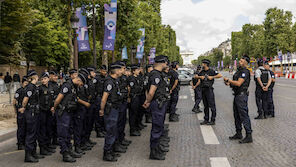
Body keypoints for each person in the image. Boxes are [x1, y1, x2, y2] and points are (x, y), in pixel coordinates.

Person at [52, 72, 89, 163]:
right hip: (63, 112)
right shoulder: (67, 86)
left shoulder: (74, 87)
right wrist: (54, 108)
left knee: (68, 133)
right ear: (79, 80)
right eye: (81, 84)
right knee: (63, 133)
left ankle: (69, 150)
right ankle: (65, 153)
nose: (81, 86)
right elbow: (58, 99)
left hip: (69, 112)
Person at [143, 55, 169, 160]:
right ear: (162, 63)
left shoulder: (156, 74)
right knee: (157, 128)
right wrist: (148, 101)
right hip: (157, 104)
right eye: (166, 63)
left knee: (159, 126)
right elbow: (151, 91)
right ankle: (154, 152)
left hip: (159, 103)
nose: (167, 65)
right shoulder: (156, 75)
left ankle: (157, 148)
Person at [224, 55, 253, 144]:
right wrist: (228, 83)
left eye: (241, 61)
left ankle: (248, 135)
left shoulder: (245, 71)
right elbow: (234, 83)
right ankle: (238, 133)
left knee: (244, 116)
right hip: (237, 95)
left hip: (241, 96)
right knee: (236, 115)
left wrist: (229, 80)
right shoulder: (238, 71)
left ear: (245, 62)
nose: (239, 62)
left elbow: (239, 83)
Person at [99, 62, 123, 162]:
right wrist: (101, 109)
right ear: (116, 71)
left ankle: (111, 150)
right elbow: (104, 98)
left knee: (113, 130)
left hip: (115, 108)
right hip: (111, 109)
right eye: (121, 69)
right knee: (110, 131)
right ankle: (107, 153)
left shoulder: (114, 80)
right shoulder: (109, 82)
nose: (122, 71)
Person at [18, 70, 44, 163]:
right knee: (31, 134)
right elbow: (25, 100)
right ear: (35, 77)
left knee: (34, 133)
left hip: (35, 112)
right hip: (30, 113)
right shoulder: (30, 87)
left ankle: (33, 153)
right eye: (37, 76)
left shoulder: (33, 87)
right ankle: (28, 156)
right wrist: (23, 107)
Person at [196, 59, 222, 125]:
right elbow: (195, 76)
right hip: (203, 90)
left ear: (205, 64)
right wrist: (199, 77)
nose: (202, 65)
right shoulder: (202, 71)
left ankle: (213, 120)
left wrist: (212, 77)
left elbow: (220, 75)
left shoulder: (211, 71)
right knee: (205, 106)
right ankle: (206, 119)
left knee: (212, 106)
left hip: (209, 90)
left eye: (203, 64)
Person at [37, 72, 56, 156]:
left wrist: (53, 107)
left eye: (45, 79)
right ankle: (42, 148)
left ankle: (48, 145)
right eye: (42, 79)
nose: (43, 80)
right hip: (42, 112)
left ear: (48, 79)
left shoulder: (51, 87)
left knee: (49, 128)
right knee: (42, 130)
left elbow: (52, 99)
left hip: (49, 111)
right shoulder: (40, 89)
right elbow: (37, 100)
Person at [13, 76, 29, 150]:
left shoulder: (29, 90)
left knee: (26, 127)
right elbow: (14, 101)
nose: (27, 84)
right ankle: (20, 143)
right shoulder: (19, 91)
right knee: (21, 128)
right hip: (21, 111)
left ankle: (25, 142)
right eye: (25, 83)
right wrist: (16, 110)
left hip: (27, 111)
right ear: (22, 83)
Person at [128, 64, 142, 137]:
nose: (138, 71)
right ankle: (132, 130)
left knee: (137, 113)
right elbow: (129, 89)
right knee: (133, 114)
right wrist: (129, 97)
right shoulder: (131, 78)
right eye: (137, 70)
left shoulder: (138, 78)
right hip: (134, 97)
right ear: (133, 71)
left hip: (138, 96)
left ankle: (136, 127)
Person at [94, 65, 107, 138]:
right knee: (98, 115)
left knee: (103, 115)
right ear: (100, 71)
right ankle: (98, 131)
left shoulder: (106, 78)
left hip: (103, 97)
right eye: (103, 71)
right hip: (98, 97)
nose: (104, 72)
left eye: (105, 71)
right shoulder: (97, 78)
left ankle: (103, 129)